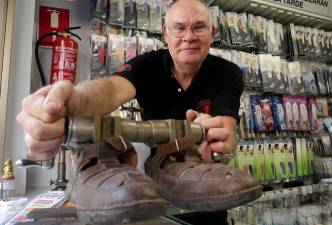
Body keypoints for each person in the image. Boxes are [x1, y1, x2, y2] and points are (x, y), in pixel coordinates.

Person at [16, 0, 261, 224]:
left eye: (199, 27)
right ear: (166, 34)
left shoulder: (227, 73)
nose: (188, 37)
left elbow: (226, 129)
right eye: (179, 28)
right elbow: (111, 90)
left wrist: (218, 138)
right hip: (155, 180)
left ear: (212, 33)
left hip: (202, 181)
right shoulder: (148, 65)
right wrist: (73, 100)